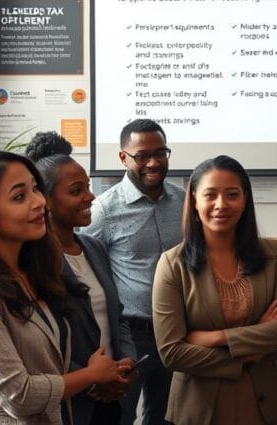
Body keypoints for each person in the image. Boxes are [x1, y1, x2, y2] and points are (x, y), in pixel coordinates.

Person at [0, 151, 131, 425]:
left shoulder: (32, 270)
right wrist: (91, 376)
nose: (40, 202)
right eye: (19, 197)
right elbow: (16, 395)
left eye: (36, 189)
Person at [152, 155, 277, 425]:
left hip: (265, 400)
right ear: (194, 201)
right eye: (210, 195)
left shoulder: (272, 254)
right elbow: (171, 352)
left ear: (245, 201)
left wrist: (216, 337)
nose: (221, 204)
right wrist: (248, 353)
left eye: (232, 194)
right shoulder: (173, 264)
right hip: (200, 405)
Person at [26, 131, 139, 425]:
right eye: (77, 191)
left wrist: (126, 362)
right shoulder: (33, 261)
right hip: (75, 402)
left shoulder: (94, 247)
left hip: (115, 396)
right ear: (45, 200)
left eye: (87, 187)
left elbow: (118, 315)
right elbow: (42, 341)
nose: (90, 197)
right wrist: (93, 380)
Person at [82, 118, 184, 425]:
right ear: (123, 157)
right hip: (130, 335)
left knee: (168, 417)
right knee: (121, 416)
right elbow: (85, 272)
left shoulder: (183, 200)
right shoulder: (103, 210)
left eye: (161, 153)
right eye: (142, 155)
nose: (153, 162)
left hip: (178, 331)